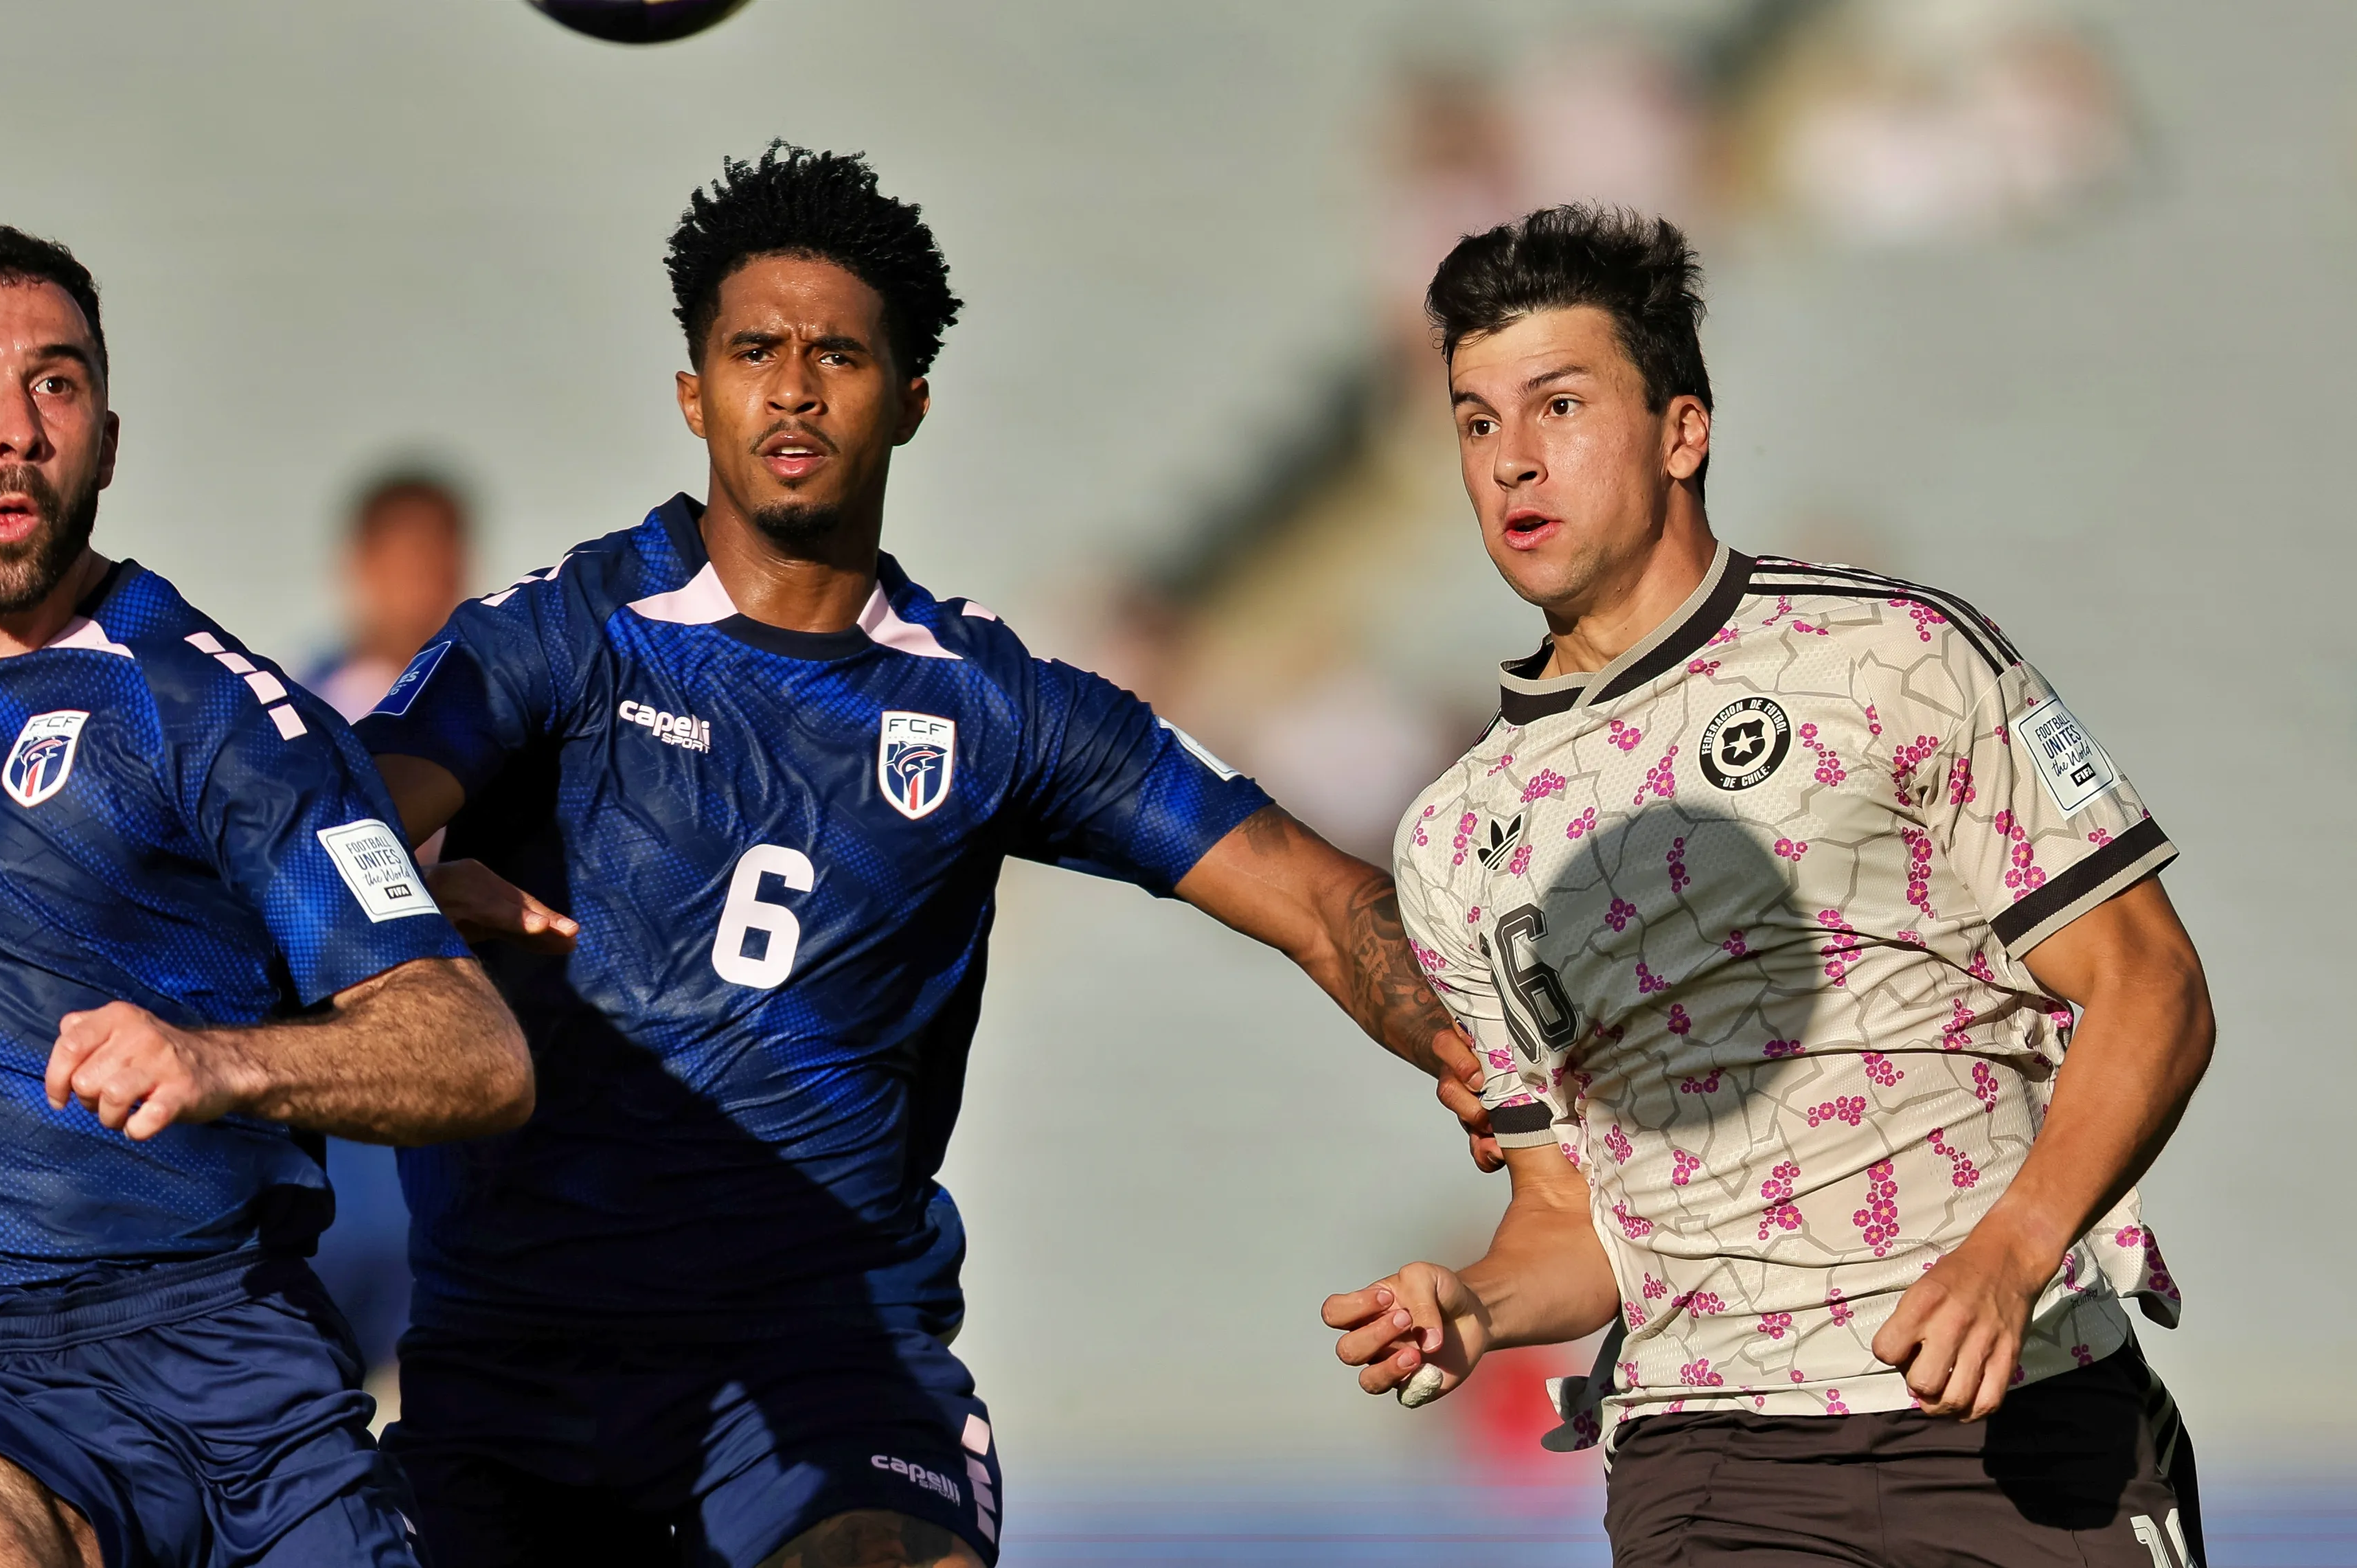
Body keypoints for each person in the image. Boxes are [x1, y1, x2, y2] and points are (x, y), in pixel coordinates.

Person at [352, 145, 1486, 1568]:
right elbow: (336, 824)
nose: (795, 385)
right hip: (525, 1350)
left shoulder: (992, 705)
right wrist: (400, 889)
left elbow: (1322, 900)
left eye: (840, 353)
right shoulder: (563, 633)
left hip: (829, 1346)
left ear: (912, 399)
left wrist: (1469, 1043)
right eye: (754, 349)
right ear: (696, 394)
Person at [1323, 205, 2214, 1567]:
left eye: (1559, 404)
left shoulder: (1904, 657)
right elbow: (1573, 1218)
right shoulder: (1456, 835)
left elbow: (2152, 981)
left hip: (2022, 1413)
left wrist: (2012, 1247)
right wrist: (1484, 1307)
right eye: (1477, 420)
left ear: (1684, 429)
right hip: (1714, 1456)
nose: (1513, 459)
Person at [0, 228, 534, 1567]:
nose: (11, 431)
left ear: (108, 441)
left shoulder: (207, 711)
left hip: (231, 1354)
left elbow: (476, 1054)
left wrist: (215, 1054)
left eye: (53, 386)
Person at [301, 468, 475, 1385]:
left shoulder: (498, 732)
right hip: (330, 1146)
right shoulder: (288, 719)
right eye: (404, 562)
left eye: (441, 563)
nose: (423, 587)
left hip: (449, 1153)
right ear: (361, 566)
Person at [306, 473, 472, 724]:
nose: (428, 569)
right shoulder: (304, 698)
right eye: (410, 561)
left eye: (440, 558)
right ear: (363, 563)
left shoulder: (500, 688)